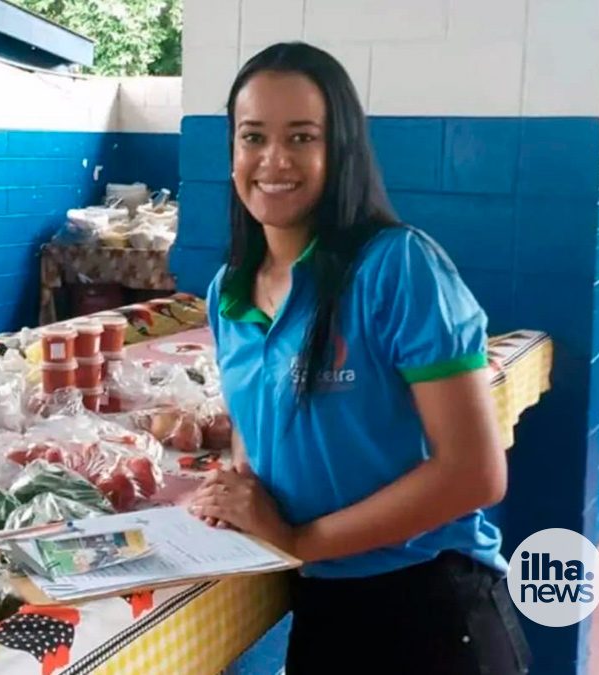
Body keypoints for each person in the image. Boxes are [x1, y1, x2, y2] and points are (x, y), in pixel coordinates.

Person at [187, 43, 531, 674]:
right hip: (326, 608)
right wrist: (238, 488)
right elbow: (256, 423)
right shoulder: (228, 292)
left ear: (338, 149)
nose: (274, 160)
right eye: (253, 136)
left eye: (302, 137)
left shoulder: (397, 267)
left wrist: (296, 540)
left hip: (431, 609)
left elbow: (474, 473)